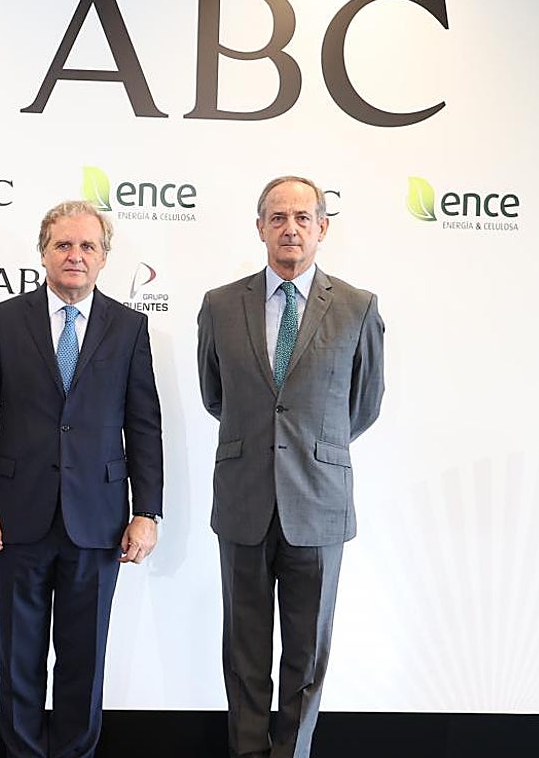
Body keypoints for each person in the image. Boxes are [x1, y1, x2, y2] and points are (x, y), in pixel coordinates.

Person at [0, 200, 164, 758]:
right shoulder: (6, 319)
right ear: (43, 252)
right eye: (63, 245)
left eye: (87, 246)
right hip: (16, 517)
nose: (75, 256)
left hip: (98, 521)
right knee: (18, 656)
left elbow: (143, 423)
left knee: (84, 658)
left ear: (103, 258)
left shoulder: (128, 327)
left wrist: (147, 512)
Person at [196, 176, 385, 758]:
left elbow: (364, 404)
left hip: (319, 503)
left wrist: (308, 447)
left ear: (323, 228)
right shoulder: (220, 304)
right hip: (245, 500)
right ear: (259, 227)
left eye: (304, 217)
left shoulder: (357, 307)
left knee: (306, 653)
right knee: (244, 650)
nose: (290, 228)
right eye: (277, 217)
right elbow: (214, 394)